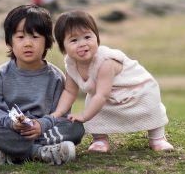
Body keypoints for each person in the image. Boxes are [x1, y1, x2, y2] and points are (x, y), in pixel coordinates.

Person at [51, 10, 173, 153]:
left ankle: (157, 137)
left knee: (149, 108)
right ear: (63, 47)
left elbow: (102, 94)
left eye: (87, 37)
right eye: (74, 40)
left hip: (136, 91)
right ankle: (99, 139)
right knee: (92, 103)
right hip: (105, 96)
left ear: (97, 37)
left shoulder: (105, 62)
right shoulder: (71, 65)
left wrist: (84, 116)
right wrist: (57, 113)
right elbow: (70, 91)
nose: (82, 44)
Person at [0, 4, 84, 166]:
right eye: (20, 37)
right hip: (12, 130)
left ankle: (9, 153)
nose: (28, 43)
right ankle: (40, 152)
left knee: (76, 127)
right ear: (9, 42)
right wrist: (13, 124)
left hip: (43, 130)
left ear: (47, 42)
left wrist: (41, 125)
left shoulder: (56, 77)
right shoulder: (0, 75)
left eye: (35, 37)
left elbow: (60, 115)